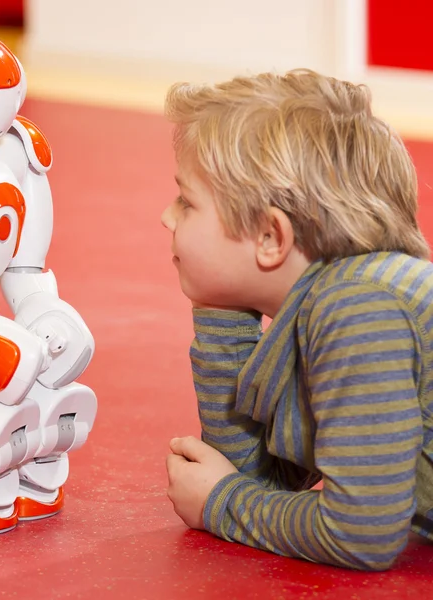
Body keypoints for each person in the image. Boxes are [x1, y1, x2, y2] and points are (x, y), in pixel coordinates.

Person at [161, 69, 433, 571]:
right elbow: (260, 478)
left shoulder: (359, 309)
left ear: (270, 237)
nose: (166, 217)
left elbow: (361, 533)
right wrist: (221, 314)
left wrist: (222, 503)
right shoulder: (327, 302)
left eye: (187, 202)